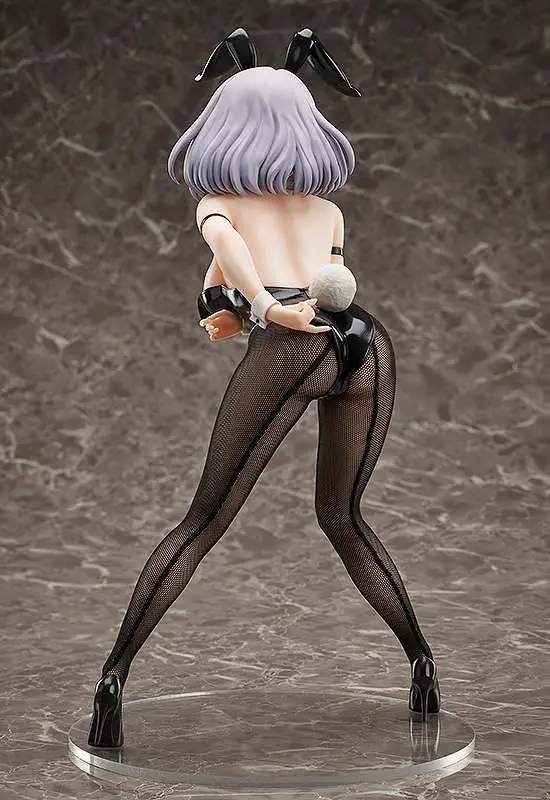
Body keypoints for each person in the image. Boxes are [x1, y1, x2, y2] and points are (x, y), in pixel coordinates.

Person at [88, 28, 441, 750]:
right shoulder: (327, 210)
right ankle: (423, 664)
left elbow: (238, 256)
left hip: (291, 343)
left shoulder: (218, 202)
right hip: (365, 343)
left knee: (203, 522)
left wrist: (262, 308)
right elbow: (323, 278)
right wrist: (231, 304)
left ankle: (113, 679)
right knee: (344, 518)